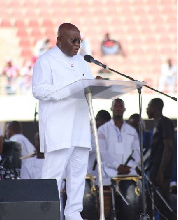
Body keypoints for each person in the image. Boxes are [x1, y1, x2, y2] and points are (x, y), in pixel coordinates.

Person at [32, 23, 102, 220]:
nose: (78, 44)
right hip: (58, 129)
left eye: (80, 40)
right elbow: (38, 90)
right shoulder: (46, 61)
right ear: (59, 40)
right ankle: (46, 215)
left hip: (79, 127)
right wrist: (68, 90)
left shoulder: (81, 62)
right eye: (73, 40)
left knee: (78, 176)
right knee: (52, 177)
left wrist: (95, 84)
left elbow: (86, 88)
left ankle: (73, 214)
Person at [98, 98, 141, 220]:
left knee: (130, 208)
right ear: (111, 109)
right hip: (109, 175)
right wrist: (117, 166)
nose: (118, 108)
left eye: (120, 106)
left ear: (124, 109)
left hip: (128, 174)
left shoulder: (131, 131)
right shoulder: (102, 130)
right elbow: (102, 153)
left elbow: (137, 152)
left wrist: (129, 166)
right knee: (110, 210)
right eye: (115, 106)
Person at [146, 98, 175, 220]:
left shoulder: (164, 122)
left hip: (160, 173)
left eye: (148, 106)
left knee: (163, 207)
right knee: (155, 206)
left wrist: (161, 172)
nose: (147, 109)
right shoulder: (157, 124)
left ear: (154, 107)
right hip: (154, 170)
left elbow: (168, 147)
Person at [87, 110, 111, 179]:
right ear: (97, 120)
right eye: (103, 123)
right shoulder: (87, 132)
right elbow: (86, 150)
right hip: (90, 171)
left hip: (105, 172)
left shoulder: (106, 133)